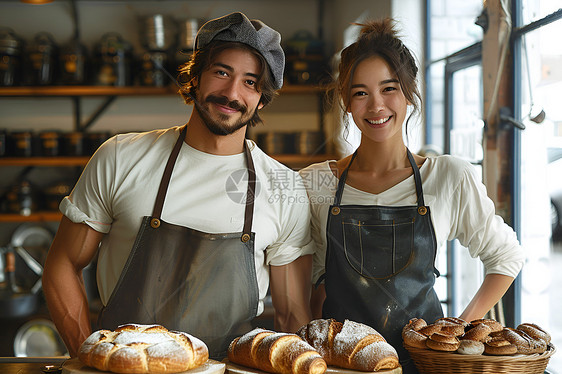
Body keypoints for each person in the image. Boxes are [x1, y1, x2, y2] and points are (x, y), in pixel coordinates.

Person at [42, 12, 314, 360]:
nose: (231, 93)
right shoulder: (120, 158)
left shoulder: (283, 187)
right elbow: (62, 263)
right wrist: (86, 356)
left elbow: (292, 316)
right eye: (221, 72)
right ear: (195, 76)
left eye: (250, 82)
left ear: (262, 99)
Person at [299, 18, 524, 373]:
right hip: (341, 366)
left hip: (423, 366)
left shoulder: (448, 176)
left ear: (409, 90)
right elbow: (311, 280)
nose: (376, 105)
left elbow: (506, 257)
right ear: (345, 100)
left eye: (389, 88)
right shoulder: (314, 183)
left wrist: (460, 331)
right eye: (360, 92)